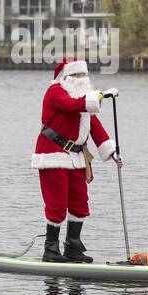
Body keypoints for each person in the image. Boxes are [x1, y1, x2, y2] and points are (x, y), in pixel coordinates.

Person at [30, 58, 121, 263]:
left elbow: (95, 127)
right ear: (65, 77)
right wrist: (101, 96)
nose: (81, 79)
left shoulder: (84, 100)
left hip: (76, 159)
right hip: (53, 156)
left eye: (83, 75)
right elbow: (72, 105)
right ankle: (51, 250)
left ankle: (73, 248)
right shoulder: (55, 92)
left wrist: (113, 152)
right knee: (57, 205)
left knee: (80, 204)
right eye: (76, 75)